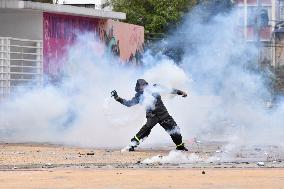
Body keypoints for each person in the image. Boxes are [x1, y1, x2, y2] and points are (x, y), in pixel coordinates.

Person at [111, 79, 188, 152]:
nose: (143, 87)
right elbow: (129, 103)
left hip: (163, 114)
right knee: (145, 130)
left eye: (144, 85)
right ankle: (132, 145)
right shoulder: (139, 96)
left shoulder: (155, 88)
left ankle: (180, 146)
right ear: (138, 88)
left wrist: (180, 92)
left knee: (175, 129)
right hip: (152, 116)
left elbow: (169, 90)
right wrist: (117, 98)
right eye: (141, 86)